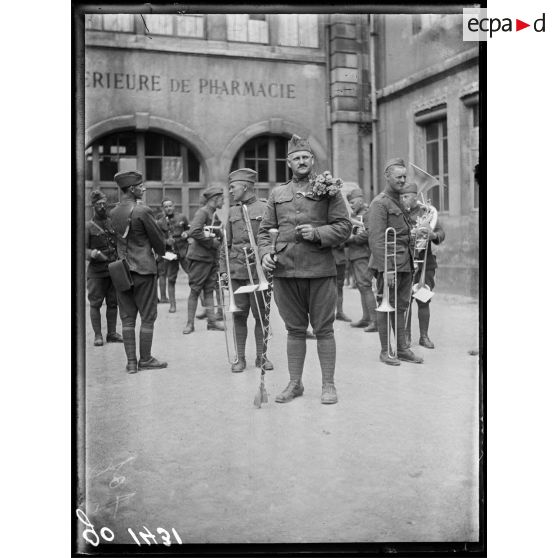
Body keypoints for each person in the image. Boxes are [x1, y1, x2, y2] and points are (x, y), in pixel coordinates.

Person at [258, 135, 352, 405]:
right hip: (286, 271)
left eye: (305, 157)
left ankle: (328, 385)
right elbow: (264, 232)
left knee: (324, 329)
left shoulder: (329, 190)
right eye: (296, 158)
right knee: (294, 330)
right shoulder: (277, 194)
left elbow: (344, 227)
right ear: (288, 162)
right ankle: (295, 383)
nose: (301, 161)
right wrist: (265, 254)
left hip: (320, 270)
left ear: (312, 160)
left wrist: (317, 232)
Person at [110, 171, 168, 373]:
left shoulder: (114, 212)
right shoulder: (142, 211)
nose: (144, 188)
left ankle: (131, 363)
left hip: (122, 271)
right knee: (148, 316)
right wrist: (161, 252)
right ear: (132, 189)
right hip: (143, 270)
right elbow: (159, 242)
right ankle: (145, 359)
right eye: (141, 186)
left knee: (127, 318)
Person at [368, 158, 423, 366]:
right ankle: (385, 351)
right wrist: (386, 269)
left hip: (404, 261)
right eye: (398, 177)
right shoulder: (379, 203)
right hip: (389, 264)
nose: (402, 180)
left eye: (404, 177)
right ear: (387, 177)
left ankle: (401, 348)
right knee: (385, 306)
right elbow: (376, 239)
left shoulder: (400, 201)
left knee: (400, 306)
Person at [220, 168, 274, 373]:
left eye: (233, 187)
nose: (231, 191)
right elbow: (226, 243)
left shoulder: (265, 207)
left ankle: (262, 356)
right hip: (237, 272)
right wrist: (224, 270)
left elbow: (270, 239)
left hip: (258, 270)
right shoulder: (232, 211)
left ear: (245, 186)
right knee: (239, 316)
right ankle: (239, 358)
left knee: (262, 316)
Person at [400, 182, 445, 349]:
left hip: (425, 261)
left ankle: (424, 336)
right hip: (405, 262)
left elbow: (441, 232)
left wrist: (432, 234)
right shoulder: (399, 213)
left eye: (406, 196)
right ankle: (406, 336)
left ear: (415, 197)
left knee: (423, 299)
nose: (403, 199)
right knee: (406, 300)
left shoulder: (427, 212)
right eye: (401, 196)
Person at [182, 185, 225, 334]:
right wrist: (211, 243)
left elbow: (217, 231)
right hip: (199, 259)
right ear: (214, 199)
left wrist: (220, 237)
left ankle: (212, 322)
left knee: (209, 290)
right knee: (195, 291)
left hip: (210, 258)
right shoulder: (203, 212)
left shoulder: (213, 214)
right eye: (222, 199)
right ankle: (189, 324)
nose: (224, 202)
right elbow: (194, 231)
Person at [85, 190, 123, 346]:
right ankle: (98, 335)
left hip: (113, 269)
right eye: (98, 204)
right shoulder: (87, 226)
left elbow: (120, 242)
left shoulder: (111, 222)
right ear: (93, 206)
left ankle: (112, 333)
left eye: (103, 204)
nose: (102, 207)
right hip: (96, 272)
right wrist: (91, 253)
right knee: (95, 304)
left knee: (113, 303)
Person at [345, 187, 378, 332]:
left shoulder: (367, 213)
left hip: (363, 254)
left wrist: (352, 239)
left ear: (360, 199)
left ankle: (374, 321)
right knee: (361, 286)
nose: (351, 205)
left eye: (352, 202)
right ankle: (366, 318)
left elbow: (369, 233)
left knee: (365, 286)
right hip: (356, 255)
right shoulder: (358, 214)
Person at [156, 199, 190, 313]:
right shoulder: (160, 222)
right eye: (166, 207)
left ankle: (203, 301)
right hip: (170, 253)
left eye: (170, 206)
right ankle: (172, 305)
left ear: (174, 206)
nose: (168, 208)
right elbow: (157, 239)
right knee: (171, 279)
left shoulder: (182, 217)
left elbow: (189, 229)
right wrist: (166, 242)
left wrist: (187, 234)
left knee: (193, 275)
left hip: (183, 251)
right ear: (163, 209)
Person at [332, 244, 352, 322]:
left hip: (340, 260)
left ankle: (339, 312)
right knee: (325, 287)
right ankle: (328, 314)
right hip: (326, 260)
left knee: (339, 286)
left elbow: (344, 240)